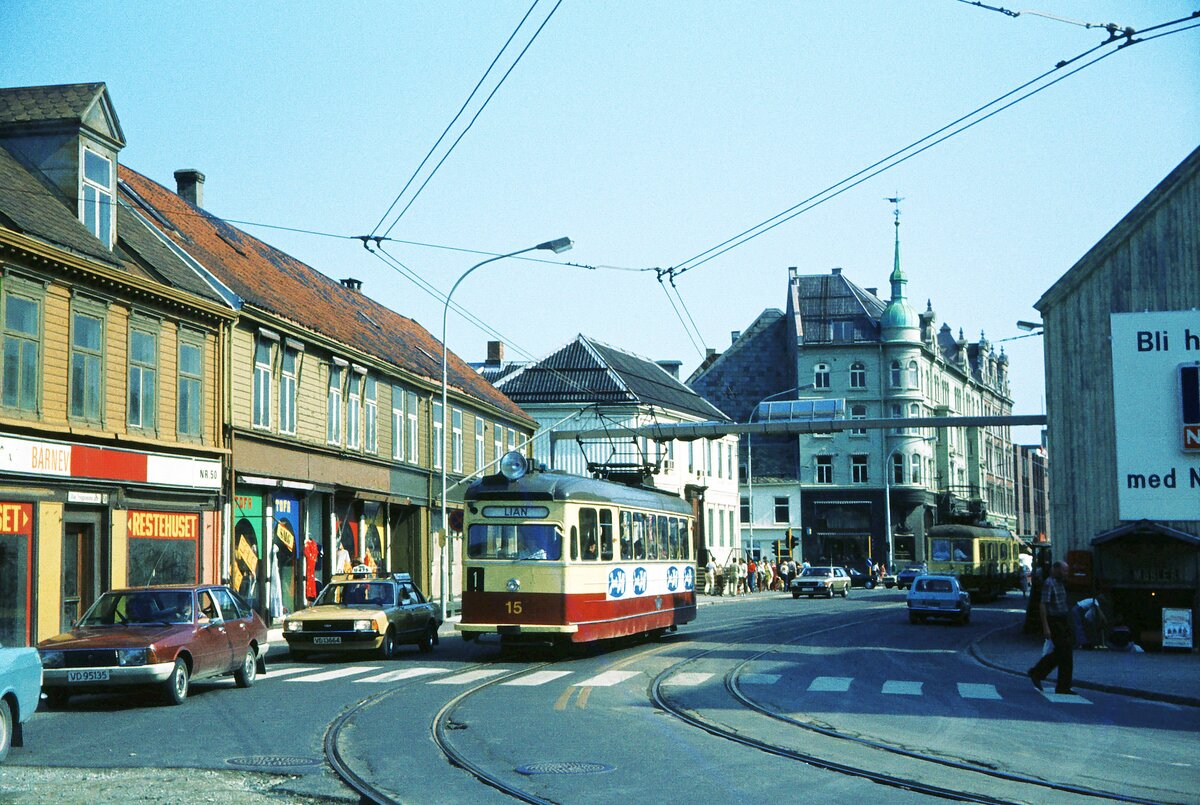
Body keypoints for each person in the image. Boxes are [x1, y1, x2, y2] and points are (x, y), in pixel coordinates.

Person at [1028, 560, 1075, 694]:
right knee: (1063, 651)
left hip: (1063, 619)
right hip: (1054, 620)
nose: (1066, 573)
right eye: (1064, 571)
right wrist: (1046, 627)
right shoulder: (1049, 583)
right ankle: (1039, 674)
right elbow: (1043, 605)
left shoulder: (1061, 582)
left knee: (1064, 652)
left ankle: (1060, 684)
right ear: (1057, 570)